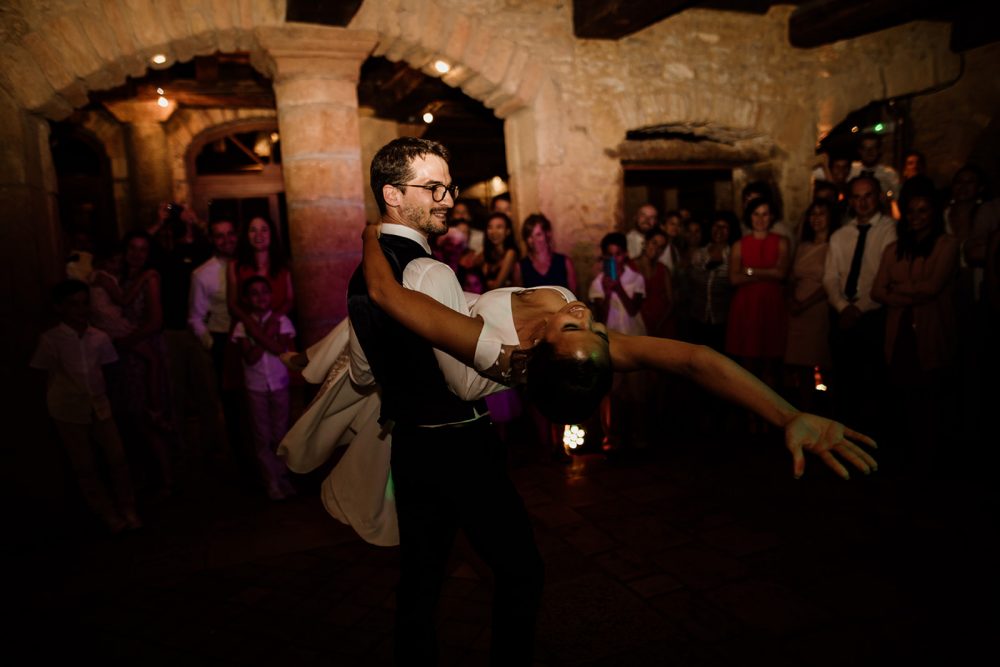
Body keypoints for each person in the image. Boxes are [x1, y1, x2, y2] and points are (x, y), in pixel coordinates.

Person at [360, 220, 877, 484]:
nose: (584, 313)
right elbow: (695, 358)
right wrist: (786, 414)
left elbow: (384, 291)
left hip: (415, 323)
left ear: (539, 346)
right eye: (596, 330)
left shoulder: (489, 345)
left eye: (576, 326)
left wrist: (373, 234)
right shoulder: (576, 348)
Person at [345, 137, 542, 666]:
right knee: (522, 571)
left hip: (410, 450)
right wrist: (521, 367)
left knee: (420, 580)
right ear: (391, 194)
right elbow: (467, 385)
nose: (447, 199)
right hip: (462, 447)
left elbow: (362, 372)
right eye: (432, 188)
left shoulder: (364, 274)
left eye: (449, 187)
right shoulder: (432, 273)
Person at [30, 280, 141, 534]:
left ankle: (127, 507)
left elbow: (107, 369)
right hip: (68, 408)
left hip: (99, 405)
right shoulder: (51, 339)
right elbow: (43, 372)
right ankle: (106, 512)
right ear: (60, 307)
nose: (80, 310)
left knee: (117, 459)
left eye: (84, 303)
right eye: (73, 304)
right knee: (84, 465)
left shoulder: (98, 337)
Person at [871, 178, 958, 472]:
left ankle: (930, 456)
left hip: (932, 330)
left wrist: (897, 289)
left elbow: (932, 288)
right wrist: (910, 291)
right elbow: (877, 290)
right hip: (900, 331)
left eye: (923, 210)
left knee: (931, 395)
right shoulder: (894, 249)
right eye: (912, 211)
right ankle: (907, 454)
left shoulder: (946, 245)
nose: (916, 217)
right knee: (903, 394)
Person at [823, 175, 897, 436]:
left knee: (874, 380)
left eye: (868, 196)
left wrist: (859, 308)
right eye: (856, 197)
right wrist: (843, 307)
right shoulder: (840, 235)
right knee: (844, 381)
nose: (862, 203)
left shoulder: (889, 230)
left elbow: (886, 275)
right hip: (843, 315)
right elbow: (830, 277)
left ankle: (874, 438)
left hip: (874, 315)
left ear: (878, 197)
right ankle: (844, 435)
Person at [232, 276, 297, 500]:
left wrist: (258, 335)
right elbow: (250, 358)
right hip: (256, 387)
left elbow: (281, 350)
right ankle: (271, 482)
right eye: (254, 293)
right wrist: (268, 334)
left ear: (271, 295)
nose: (260, 297)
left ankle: (283, 477)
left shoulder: (282, 320)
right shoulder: (242, 326)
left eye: (264, 292)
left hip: (279, 384)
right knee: (262, 436)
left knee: (281, 433)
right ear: (246, 299)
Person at [725, 196, 790, 395]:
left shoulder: (781, 242)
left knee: (771, 363)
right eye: (756, 214)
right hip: (747, 306)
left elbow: (781, 274)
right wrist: (767, 273)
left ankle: (770, 409)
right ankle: (749, 408)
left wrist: (750, 271)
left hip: (771, 305)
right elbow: (733, 279)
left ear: (772, 217)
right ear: (749, 216)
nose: (760, 219)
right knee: (747, 364)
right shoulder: (739, 244)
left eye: (765, 214)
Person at [784, 200, 839, 413]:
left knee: (822, 361)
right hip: (797, 311)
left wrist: (805, 303)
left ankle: (828, 413)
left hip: (818, 309)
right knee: (801, 365)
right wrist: (792, 299)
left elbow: (831, 282)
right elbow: (791, 277)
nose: (816, 218)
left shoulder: (834, 245)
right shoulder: (803, 246)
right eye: (813, 214)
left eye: (821, 213)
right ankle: (805, 411)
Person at [513, 213, 577, 293]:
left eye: (538, 234)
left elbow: (574, 296)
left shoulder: (565, 263)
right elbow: (518, 298)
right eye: (530, 236)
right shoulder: (520, 267)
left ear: (547, 234)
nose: (534, 240)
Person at [482, 212, 519, 290]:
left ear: (508, 231)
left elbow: (497, 286)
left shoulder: (510, 253)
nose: (494, 231)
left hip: (507, 296)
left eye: (499, 227)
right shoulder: (488, 252)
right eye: (490, 227)